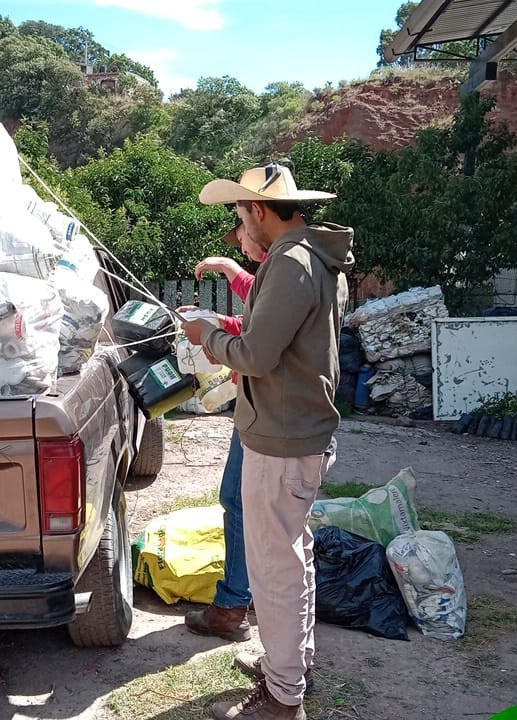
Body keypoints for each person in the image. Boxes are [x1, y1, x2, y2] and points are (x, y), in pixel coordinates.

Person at [183, 163, 354, 720]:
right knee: (292, 555)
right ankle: (290, 665)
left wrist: (204, 334)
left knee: (275, 568)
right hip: (296, 432)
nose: (238, 230)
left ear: (259, 210)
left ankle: (283, 698)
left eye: (238, 215)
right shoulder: (312, 255)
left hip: (282, 440)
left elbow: (256, 355)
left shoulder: (292, 262)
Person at [180, 222, 262, 642]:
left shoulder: (286, 271)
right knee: (241, 502)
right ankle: (239, 600)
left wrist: (208, 332)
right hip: (261, 411)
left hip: (269, 418)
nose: (242, 245)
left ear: (261, 220)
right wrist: (214, 318)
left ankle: (234, 606)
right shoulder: (282, 270)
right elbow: (254, 320)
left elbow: (256, 348)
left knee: (245, 505)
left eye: (243, 232)